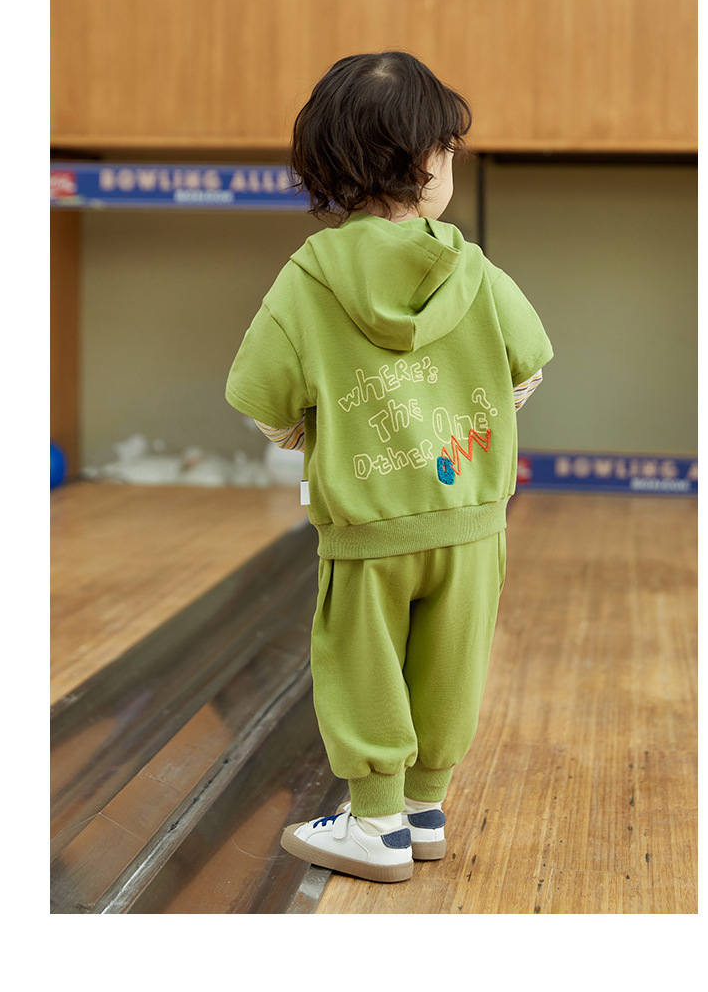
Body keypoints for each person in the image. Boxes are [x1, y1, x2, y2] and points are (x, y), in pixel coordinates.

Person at [225, 51, 553, 883]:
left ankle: (376, 824)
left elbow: (261, 400)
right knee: (452, 664)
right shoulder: (474, 269)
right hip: (470, 524)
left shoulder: (307, 279)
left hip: (368, 532)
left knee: (360, 665)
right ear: (433, 162)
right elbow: (528, 370)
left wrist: (304, 433)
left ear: (326, 170)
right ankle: (424, 808)